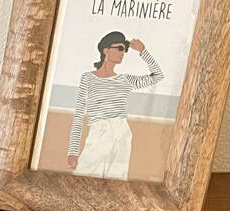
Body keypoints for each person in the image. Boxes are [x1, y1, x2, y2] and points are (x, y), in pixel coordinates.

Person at [66, 31, 164, 180]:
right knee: (84, 179)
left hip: (121, 133)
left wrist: (142, 51)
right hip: (98, 132)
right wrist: (73, 151)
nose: (122, 53)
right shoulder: (88, 78)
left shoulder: (125, 80)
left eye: (124, 50)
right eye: (119, 48)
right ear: (106, 50)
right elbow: (79, 115)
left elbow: (158, 75)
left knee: (115, 181)